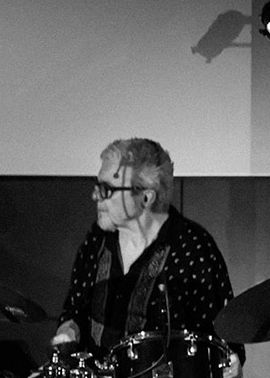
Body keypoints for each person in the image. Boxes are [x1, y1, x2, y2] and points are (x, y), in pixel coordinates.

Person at [52, 138, 237, 363]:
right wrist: (69, 330)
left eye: (107, 189)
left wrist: (231, 360)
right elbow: (74, 311)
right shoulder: (97, 240)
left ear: (146, 197)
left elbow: (222, 337)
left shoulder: (192, 247)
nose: (95, 196)